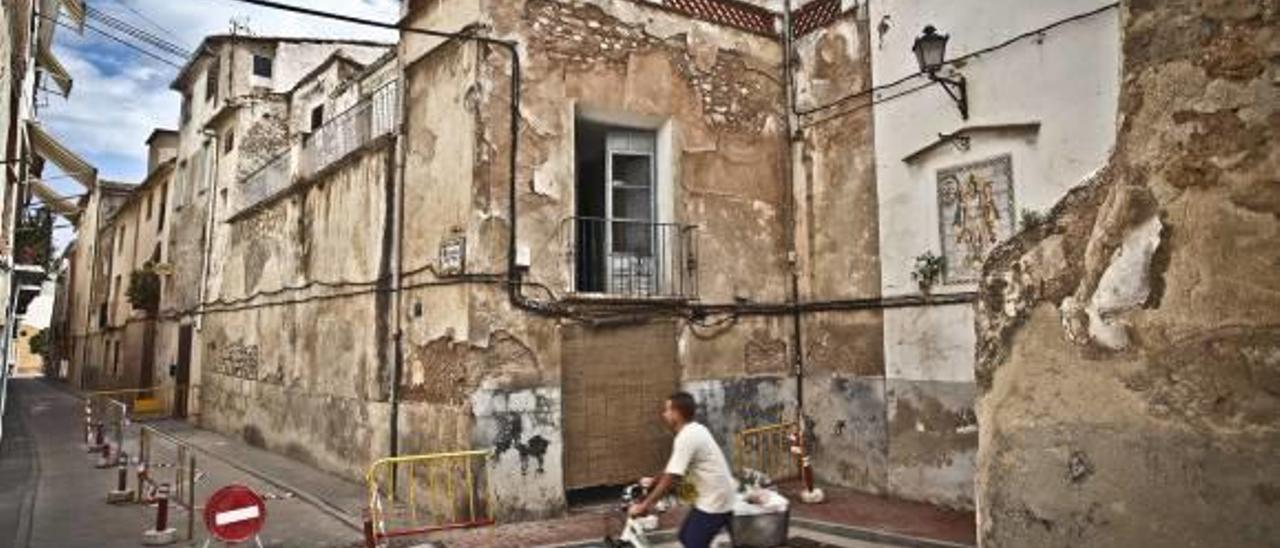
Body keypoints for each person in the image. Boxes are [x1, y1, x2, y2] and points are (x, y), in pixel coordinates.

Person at [628, 392, 736, 548]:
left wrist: (645, 506)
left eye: (667, 410)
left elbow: (671, 478)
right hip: (716, 496)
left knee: (691, 542)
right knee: (685, 536)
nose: (664, 414)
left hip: (715, 501)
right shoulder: (695, 430)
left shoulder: (687, 437)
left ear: (677, 413)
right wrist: (653, 480)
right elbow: (672, 467)